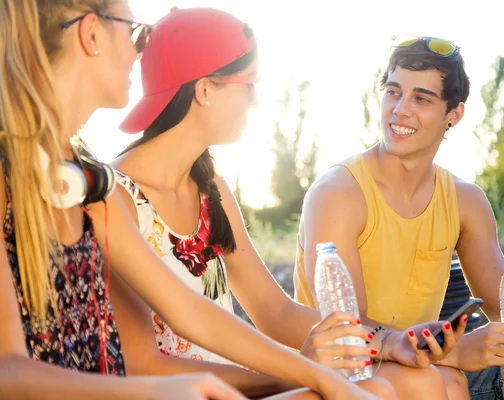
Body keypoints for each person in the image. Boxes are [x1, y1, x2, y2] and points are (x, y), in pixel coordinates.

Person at [0, 1, 388, 399]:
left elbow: (187, 311)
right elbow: (7, 373)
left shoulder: (90, 184)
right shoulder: (31, 181)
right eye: (133, 30)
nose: (140, 50)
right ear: (92, 34)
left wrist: (317, 375)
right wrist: (159, 391)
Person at [111, 7, 463, 400]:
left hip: (236, 388)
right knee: (396, 387)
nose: (256, 101)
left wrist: (391, 341)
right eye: (250, 85)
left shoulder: (212, 191)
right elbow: (142, 367)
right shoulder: (116, 199)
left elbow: (275, 312)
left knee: (421, 380)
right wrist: (304, 373)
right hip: (188, 393)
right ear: (206, 89)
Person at [293, 35, 504, 400]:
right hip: (350, 371)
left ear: (453, 114)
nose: (400, 109)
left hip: (427, 363)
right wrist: (455, 353)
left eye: (421, 98)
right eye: (393, 91)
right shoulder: (338, 193)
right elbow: (349, 329)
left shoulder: (464, 200)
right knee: (441, 382)